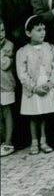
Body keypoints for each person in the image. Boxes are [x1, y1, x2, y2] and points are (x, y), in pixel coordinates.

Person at [16, 15, 54, 154]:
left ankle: (43, 140)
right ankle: (34, 142)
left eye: (43, 29)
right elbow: (21, 73)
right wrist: (34, 88)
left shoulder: (50, 48)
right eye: (38, 30)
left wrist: (49, 83)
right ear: (29, 33)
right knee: (34, 115)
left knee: (44, 114)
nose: (42, 32)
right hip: (33, 88)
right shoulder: (23, 52)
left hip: (46, 85)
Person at [0, 21, 15, 156]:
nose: (1, 34)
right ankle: (3, 141)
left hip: (6, 84)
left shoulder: (9, 46)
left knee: (7, 113)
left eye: (2, 30)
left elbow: (4, 64)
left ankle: (9, 142)